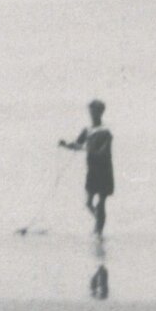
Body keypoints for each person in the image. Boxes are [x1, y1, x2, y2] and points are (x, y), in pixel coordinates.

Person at [59, 99, 114, 237]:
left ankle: (99, 231)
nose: (92, 114)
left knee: (101, 201)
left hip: (104, 169)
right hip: (92, 169)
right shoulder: (87, 130)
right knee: (88, 203)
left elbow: (104, 151)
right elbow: (77, 144)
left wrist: (86, 149)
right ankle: (99, 223)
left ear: (101, 112)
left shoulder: (106, 132)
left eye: (95, 111)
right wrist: (66, 145)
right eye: (90, 111)